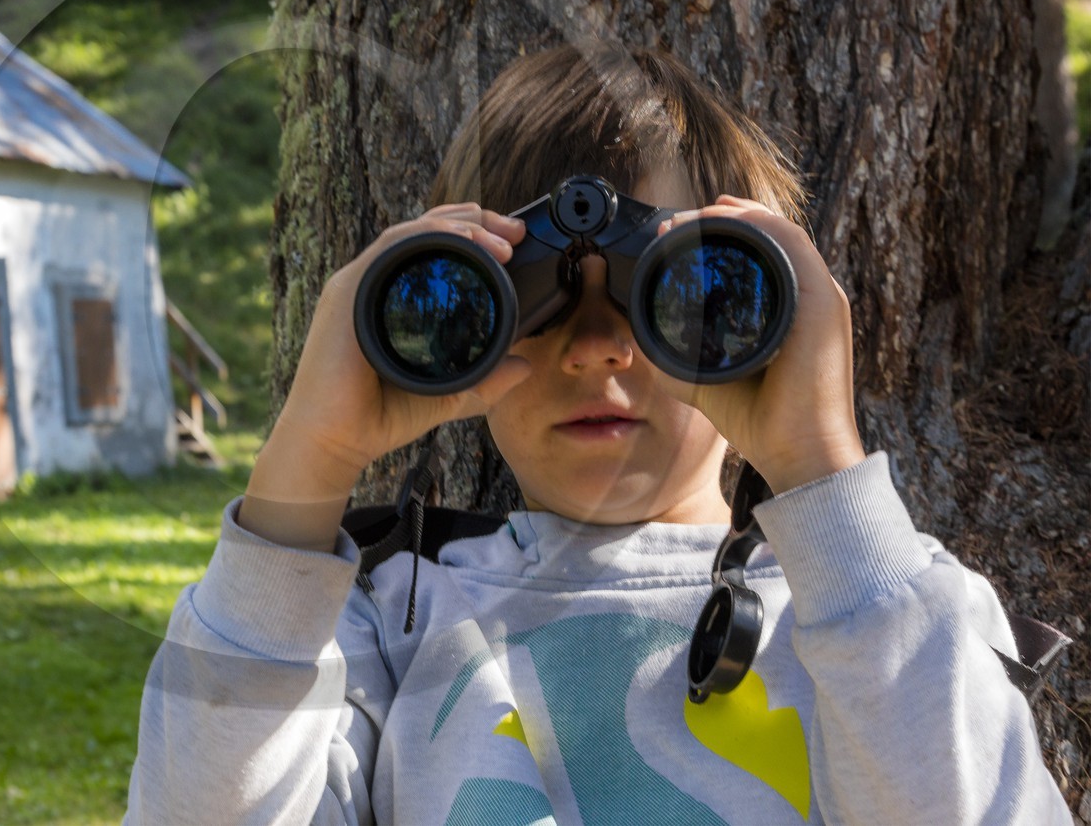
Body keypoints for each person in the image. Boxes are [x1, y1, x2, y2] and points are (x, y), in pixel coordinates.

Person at [125, 43, 1071, 824]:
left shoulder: (875, 604)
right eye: (526, 301)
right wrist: (312, 456)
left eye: (681, 298)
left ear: (767, 326)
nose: (595, 351)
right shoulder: (390, 618)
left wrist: (824, 467)